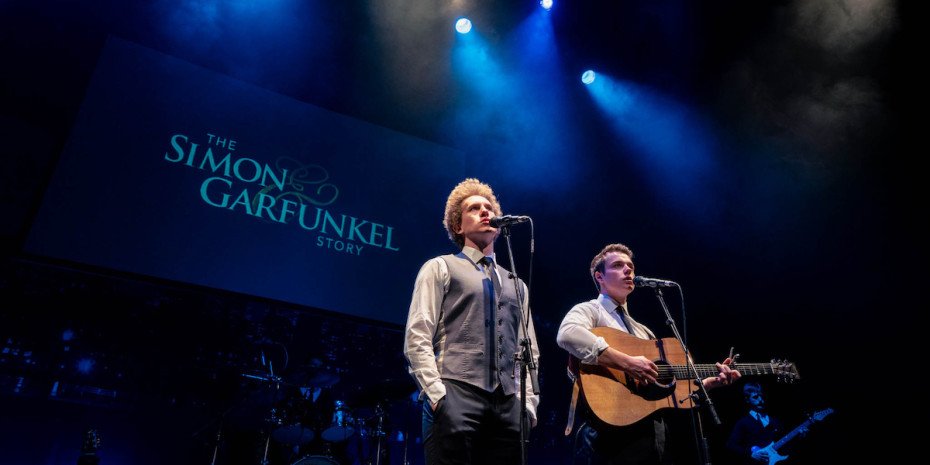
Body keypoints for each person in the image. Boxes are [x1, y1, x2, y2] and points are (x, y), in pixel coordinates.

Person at [556, 243, 740, 465]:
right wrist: (628, 363)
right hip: (609, 433)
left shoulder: (644, 331)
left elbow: (671, 391)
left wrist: (709, 383)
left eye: (631, 267)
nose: (628, 271)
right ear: (600, 277)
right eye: (618, 265)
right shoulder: (590, 310)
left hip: (653, 434)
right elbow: (567, 334)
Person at [403, 178, 540, 465]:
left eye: (488, 207)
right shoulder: (440, 267)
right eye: (474, 209)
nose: (485, 212)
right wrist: (438, 396)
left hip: (508, 405)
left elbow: (529, 352)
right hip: (455, 393)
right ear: (457, 225)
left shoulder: (517, 284)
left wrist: (528, 407)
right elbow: (417, 336)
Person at [725, 381, 792, 465]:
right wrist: (751, 454)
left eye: (761, 396)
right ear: (747, 399)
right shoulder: (743, 422)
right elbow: (731, 445)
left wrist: (800, 436)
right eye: (755, 397)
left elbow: (785, 442)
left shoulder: (774, 420)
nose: (761, 400)